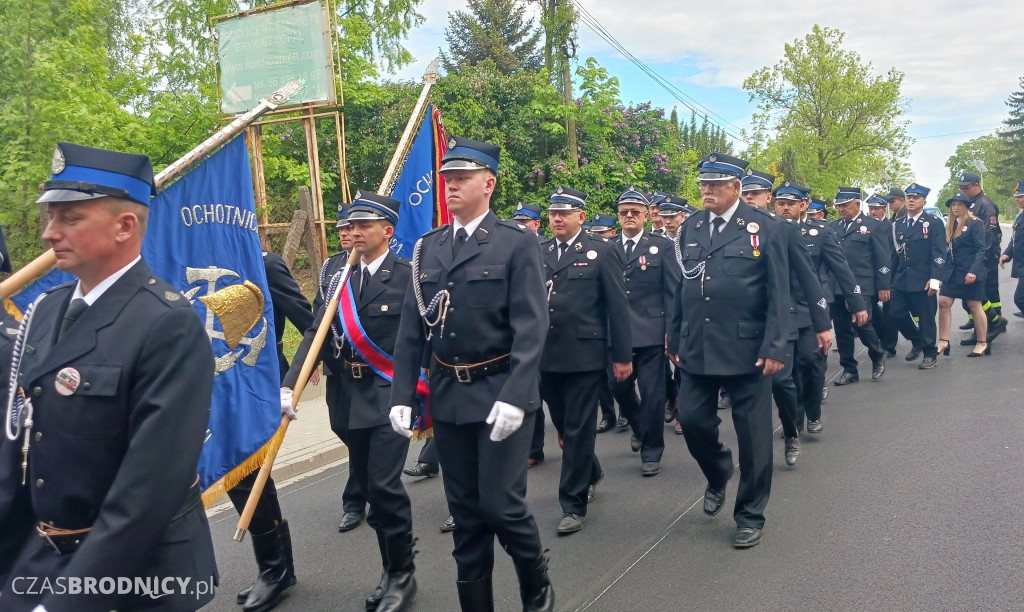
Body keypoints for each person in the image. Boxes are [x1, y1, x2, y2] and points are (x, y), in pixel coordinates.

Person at [0, 142, 217, 610]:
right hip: (41, 558)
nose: (48, 233)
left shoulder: (167, 323)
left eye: (70, 218)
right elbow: (19, 454)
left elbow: (148, 489)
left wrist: (67, 601)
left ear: (125, 226)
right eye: (49, 217)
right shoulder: (44, 310)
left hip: (137, 577)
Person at [388, 137, 554, 611]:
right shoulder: (427, 248)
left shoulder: (516, 243)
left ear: (489, 183)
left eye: (462, 177)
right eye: (447, 178)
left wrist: (517, 394)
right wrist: (402, 394)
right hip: (449, 395)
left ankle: (535, 581)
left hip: (500, 390)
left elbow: (531, 326)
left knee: (501, 505)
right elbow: (410, 332)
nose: (452, 185)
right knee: (465, 512)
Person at [285, 190, 417, 612]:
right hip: (346, 396)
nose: (353, 232)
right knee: (367, 481)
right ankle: (390, 564)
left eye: (363, 225)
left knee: (382, 485)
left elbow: (421, 336)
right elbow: (315, 332)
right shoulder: (338, 275)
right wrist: (291, 384)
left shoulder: (408, 275)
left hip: (389, 395)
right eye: (350, 225)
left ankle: (400, 574)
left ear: (387, 231)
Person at [668, 153, 791, 548]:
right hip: (698, 345)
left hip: (749, 347)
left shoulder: (765, 228)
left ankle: (750, 513)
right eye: (703, 184)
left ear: (736, 188)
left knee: (754, 437)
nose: (706, 190)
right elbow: (681, 287)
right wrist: (672, 335)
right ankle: (719, 470)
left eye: (715, 184)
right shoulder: (690, 227)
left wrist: (775, 344)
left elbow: (779, 291)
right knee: (692, 419)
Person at [540, 186, 632, 535]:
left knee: (578, 428)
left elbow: (617, 308)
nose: (557, 218)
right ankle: (590, 470)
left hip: (584, 355)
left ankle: (573, 503)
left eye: (565, 213)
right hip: (546, 355)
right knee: (563, 425)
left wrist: (621, 356)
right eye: (552, 213)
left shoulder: (601, 251)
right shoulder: (539, 251)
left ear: (582, 216)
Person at [225, 250, 313, 612]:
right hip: (214, 385)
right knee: (239, 475)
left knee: (244, 472)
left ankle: (274, 570)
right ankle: (280, 568)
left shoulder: (261, 262)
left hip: (256, 383)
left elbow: (308, 319)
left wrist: (294, 379)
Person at [748, 176, 831, 461]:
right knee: (782, 380)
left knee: (810, 365)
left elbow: (812, 279)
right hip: (776, 317)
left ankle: (812, 412)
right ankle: (791, 429)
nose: (784, 208)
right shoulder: (754, 232)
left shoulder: (799, 231)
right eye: (781, 203)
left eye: (789, 203)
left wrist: (823, 323)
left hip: (806, 312)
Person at [611, 188, 680, 477]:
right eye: (624, 211)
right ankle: (639, 426)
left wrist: (671, 332)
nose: (629, 216)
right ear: (618, 216)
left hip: (652, 333)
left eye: (635, 211)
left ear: (644, 215)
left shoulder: (660, 246)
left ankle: (652, 450)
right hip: (617, 334)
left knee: (653, 395)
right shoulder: (608, 248)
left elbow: (673, 290)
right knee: (619, 389)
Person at [317, 203, 370, 534]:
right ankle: (367, 479)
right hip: (339, 369)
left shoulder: (381, 266)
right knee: (343, 428)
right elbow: (317, 317)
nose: (347, 235)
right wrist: (313, 361)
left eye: (352, 228)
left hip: (372, 370)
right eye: (341, 230)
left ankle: (355, 501)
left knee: (366, 434)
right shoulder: (331, 268)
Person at [829, 187, 889, 386]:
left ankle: (876, 354)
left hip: (861, 284)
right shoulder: (833, 227)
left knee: (862, 323)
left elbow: (882, 258)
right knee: (842, 329)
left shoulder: (872, 225)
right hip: (837, 285)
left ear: (857, 204)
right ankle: (849, 369)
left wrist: (883, 285)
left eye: (845, 205)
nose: (841, 209)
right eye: (839, 206)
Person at [890, 183, 947, 369]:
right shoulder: (898, 223)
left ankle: (930, 354)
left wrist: (936, 279)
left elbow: (939, 253)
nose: (912, 201)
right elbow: (895, 255)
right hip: (901, 279)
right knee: (895, 313)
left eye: (916, 198)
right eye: (909, 198)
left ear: (924, 201)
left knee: (926, 317)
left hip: (924, 279)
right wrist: (888, 281)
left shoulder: (933, 223)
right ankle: (917, 340)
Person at [511, 202, 547, 468]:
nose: (520, 226)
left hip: (553, 332)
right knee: (529, 389)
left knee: (556, 399)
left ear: (536, 225)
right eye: (517, 221)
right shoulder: (510, 247)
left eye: (526, 222)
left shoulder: (545, 247)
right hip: (522, 332)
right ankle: (533, 448)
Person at [957, 172, 1007, 344]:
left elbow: (989, 234)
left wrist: (982, 261)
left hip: (985, 256)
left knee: (983, 294)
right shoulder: (969, 204)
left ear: (977, 185)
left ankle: (993, 323)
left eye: (966, 187)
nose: (963, 191)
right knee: (972, 296)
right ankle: (981, 323)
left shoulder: (985, 204)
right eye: (961, 188)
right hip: (972, 257)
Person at [937, 194, 989, 357]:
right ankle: (943, 341)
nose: (956, 208)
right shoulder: (950, 224)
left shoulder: (974, 224)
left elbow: (981, 249)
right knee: (944, 301)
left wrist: (973, 271)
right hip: (953, 272)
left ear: (966, 206)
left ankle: (982, 342)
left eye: (959, 204)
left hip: (970, 271)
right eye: (953, 205)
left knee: (974, 305)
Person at [588, 212, 625, 433]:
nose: (599, 236)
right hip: (595, 324)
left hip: (614, 321)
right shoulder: (592, 251)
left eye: (603, 233)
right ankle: (608, 414)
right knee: (601, 377)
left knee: (616, 379)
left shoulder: (612, 250)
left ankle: (625, 413)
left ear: (612, 232)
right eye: (596, 233)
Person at [657, 195, 688, 435]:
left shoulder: (691, 239)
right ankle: (672, 397)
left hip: (689, 307)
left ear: (682, 216)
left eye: (672, 216)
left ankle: (681, 411)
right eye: (664, 216)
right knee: (662, 362)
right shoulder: (655, 242)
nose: (667, 221)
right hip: (662, 308)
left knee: (683, 363)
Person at [866, 194, 896, 353]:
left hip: (887, 274)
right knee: (872, 310)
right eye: (871, 208)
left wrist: (888, 278)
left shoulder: (890, 226)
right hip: (870, 274)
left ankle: (889, 345)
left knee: (890, 312)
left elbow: (891, 253)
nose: (873, 212)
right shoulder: (865, 226)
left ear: (884, 210)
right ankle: (879, 336)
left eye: (876, 208)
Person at [999, 180, 1024, 317]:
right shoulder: (1020, 216)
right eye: (1017, 197)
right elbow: (1015, 239)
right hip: (1021, 264)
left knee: (1019, 298)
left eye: (1020, 197)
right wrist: (1007, 255)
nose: (1017, 200)